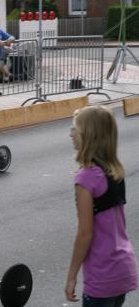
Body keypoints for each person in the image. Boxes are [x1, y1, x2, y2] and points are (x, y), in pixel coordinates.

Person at [65, 105, 138, 307]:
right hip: (123, 268)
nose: (70, 134)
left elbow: (85, 233)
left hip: (102, 274)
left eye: (75, 129)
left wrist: (72, 275)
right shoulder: (115, 171)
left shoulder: (86, 178)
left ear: (88, 136)